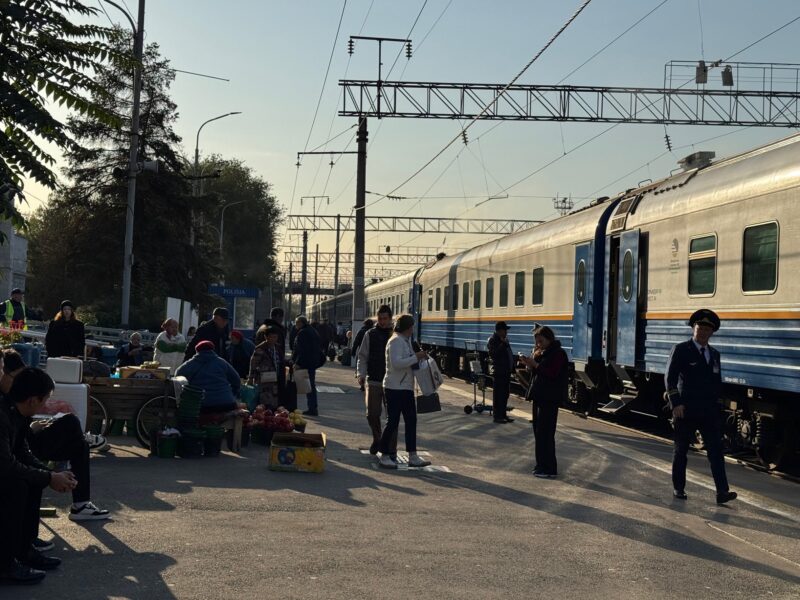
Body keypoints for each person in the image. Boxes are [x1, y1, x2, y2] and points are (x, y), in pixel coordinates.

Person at [1, 351, 109, 529]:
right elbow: (9, 461)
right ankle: (20, 548)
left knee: (77, 440)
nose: (21, 381)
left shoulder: (13, 403)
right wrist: (48, 476)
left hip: (26, 444)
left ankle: (81, 504)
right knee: (23, 482)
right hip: (18, 452)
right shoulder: (6, 406)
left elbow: (20, 447)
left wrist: (50, 475)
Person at [0, 367, 73, 584]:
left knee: (33, 481)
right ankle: (4, 564)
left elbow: (22, 453)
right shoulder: (3, 417)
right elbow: (5, 465)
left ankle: (23, 550)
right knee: (17, 486)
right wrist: (49, 478)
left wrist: (51, 474)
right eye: (45, 400)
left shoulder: (17, 413)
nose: (46, 405)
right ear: (32, 400)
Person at [665, 309, 737, 505]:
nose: (703, 332)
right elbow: (669, 378)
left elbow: (716, 383)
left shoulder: (714, 355)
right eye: (700, 328)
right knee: (681, 451)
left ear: (712, 332)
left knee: (716, 451)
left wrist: (719, 407)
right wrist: (676, 403)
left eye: (707, 329)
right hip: (685, 410)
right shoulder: (681, 349)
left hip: (708, 412)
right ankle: (678, 488)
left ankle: (722, 491)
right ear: (693, 328)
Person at [378, 314, 431, 469]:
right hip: (394, 387)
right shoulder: (395, 341)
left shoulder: (404, 341)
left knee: (411, 420)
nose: (413, 329)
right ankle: (384, 453)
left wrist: (418, 358)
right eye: (412, 326)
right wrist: (416, 357)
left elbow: (406, 361)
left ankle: (412, 455)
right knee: (393, 421)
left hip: (405, 387)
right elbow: (396, 363)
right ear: (408, 327)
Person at [521, 325, 567, 479]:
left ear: (549, 339)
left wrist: (536, 365)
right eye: (537, 342)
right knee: (538, 432)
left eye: (541, 341)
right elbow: (537, 372)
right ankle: (540, 465)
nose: (538, 344)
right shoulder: (542, 353)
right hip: (539, 396)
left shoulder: (558, 354)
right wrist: (531, 362)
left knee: (546, 433)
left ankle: (549, 468)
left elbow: (552, 373)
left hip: (549, 398)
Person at [356, 307, 396, 456]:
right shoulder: (370, 334)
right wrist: (361, 374)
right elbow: (362, 356)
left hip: (393, 382)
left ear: (390, 318)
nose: (383, 322)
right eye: (380, 319)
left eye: (385, 319)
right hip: (373, 379)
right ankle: (377, 438)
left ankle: (391, 448)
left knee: (392, 417)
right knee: (372, 414)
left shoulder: (396, 335)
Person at [176, 340, 241, 418]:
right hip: (227, 403)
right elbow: (236, 380)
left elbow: (177, 377)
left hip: (203, 405)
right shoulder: (222, 362)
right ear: (212, 350)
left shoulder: (191, 364)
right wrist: (232, 393)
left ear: (197, 351)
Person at [291, 316, 322, 416]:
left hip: (306, 364)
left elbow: (302, 350)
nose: (295, 325)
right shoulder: (312, 331)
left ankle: (312, 408)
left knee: (308, 386)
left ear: (301, 323)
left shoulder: (303, 332)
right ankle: (313, 407)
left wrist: (298, 363)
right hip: (312, 363)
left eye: (296, 323)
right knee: (310, 385)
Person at [487, 321, 515, 424]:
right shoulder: (493, 340)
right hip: (499, 372)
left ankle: (503, 415)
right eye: (505, 330)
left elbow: (508, 354)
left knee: (505, 394)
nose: (506, 332)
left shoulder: (503, 340)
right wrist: (503, 344)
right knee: (498, 395)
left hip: (506, 371)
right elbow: (494, 354)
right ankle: (497, 416)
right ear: (499, 331)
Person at [248, 326, 283, 408]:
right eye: (271, 337)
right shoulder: (260, 349)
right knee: (264, 402)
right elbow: (253, 364)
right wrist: (250, 378)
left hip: (274, 379)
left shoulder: (277, 348)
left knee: (274, 402)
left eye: (275, 337)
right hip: (263, 380)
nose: (273, 339)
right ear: (266, 337)